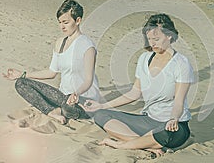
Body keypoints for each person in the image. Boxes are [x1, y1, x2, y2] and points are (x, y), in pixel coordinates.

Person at [82, 13, 194, 156]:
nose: (152, 43)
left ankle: (120, 145)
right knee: (101, 115)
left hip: (172, 126)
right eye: (149, 39)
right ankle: (146, 144)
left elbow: (179, 102)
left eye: (156, 39)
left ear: (169, 36)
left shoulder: (181, 64)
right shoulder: (144, 58)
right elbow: (134, 93)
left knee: (167, 134)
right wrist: (102, 105)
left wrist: (174, 119)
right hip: (148, 121)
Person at [2, 0, 101, 124]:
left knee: (68, 108)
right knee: (21, 83)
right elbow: (51, 72)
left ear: (78, 21)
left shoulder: (87, 46)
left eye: (65, 22)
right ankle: (52, 111)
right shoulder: (60, 43)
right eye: (59, 22)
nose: (62, 26)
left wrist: (77, 93)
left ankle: (60, 111)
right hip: (62, 97)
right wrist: (23, 74)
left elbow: (88, 79)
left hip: (83, 102)